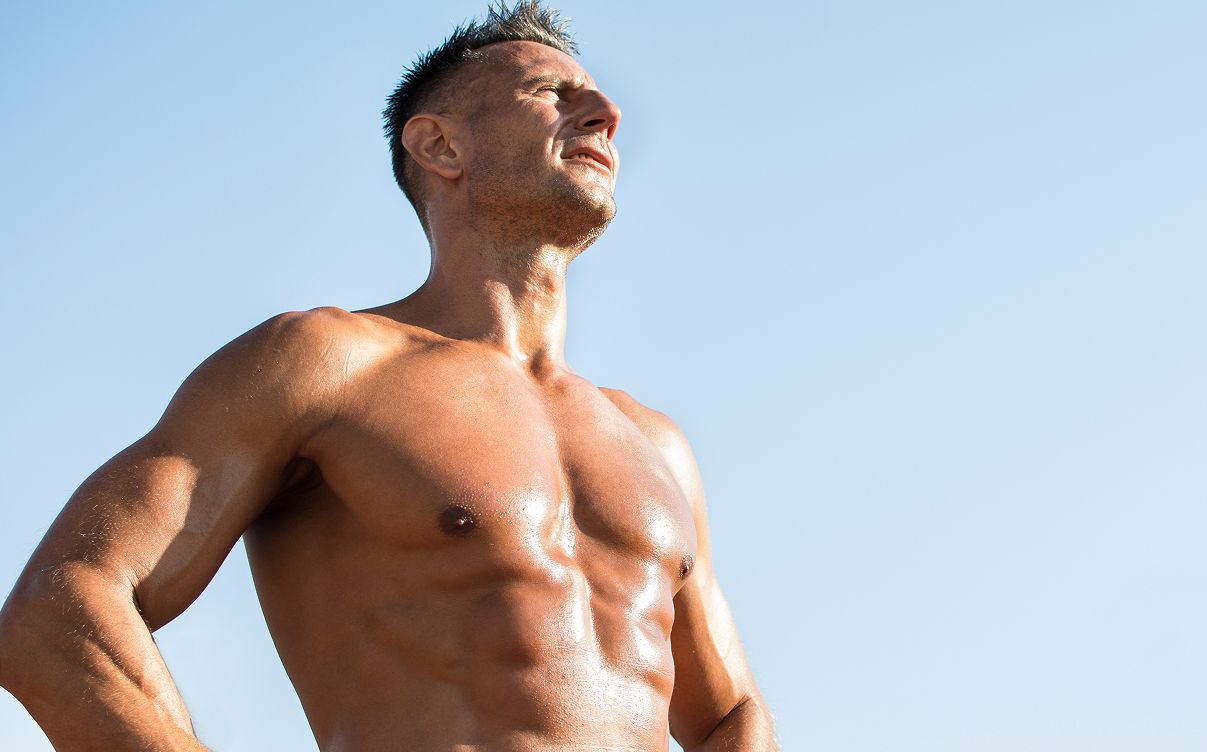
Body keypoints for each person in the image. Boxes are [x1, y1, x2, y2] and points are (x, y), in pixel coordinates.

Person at [0, 2, 779, 749]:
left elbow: (728, 714)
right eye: (553, 93)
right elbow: (58, 612)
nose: (605, 111)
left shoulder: (654, 443)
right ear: (440, 147)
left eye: (600, 100)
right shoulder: (325, 366)